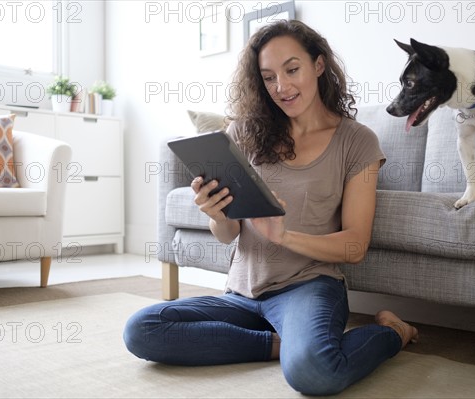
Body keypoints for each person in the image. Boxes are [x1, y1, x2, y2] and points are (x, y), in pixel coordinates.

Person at [124, 19, 418, 396]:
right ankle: (285, 345)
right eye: (268, 77)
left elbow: (355, 247)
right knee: (142, 329)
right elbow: (229, 233)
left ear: (318, 65)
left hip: (309, 288)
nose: (282, 87)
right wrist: (216, 214)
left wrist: (285, 236)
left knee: (315, 375)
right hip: (241, 294)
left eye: (292, 69)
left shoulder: (356, 141)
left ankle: (392, 331)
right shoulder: (245, 133)